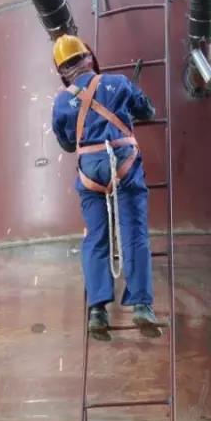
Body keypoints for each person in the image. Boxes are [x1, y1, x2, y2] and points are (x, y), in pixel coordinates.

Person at [51, 34, 161, 342]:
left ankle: (97, 311)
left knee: (96, 238)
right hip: (123, 163)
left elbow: (67, 144)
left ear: (63, 72)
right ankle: (141, 305)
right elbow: (147, 111)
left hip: (90, 171)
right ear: (89, 58)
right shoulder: (118, 83)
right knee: (133, 232)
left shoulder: (61, 102)